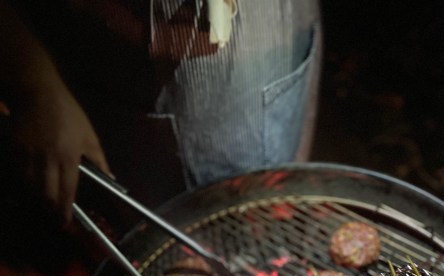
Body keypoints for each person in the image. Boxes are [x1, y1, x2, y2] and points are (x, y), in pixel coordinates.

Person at [0, 0, 323, 219]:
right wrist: (36, 88)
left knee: (273, 204)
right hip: (118, 73)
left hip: (277, 33)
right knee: (152, 235)